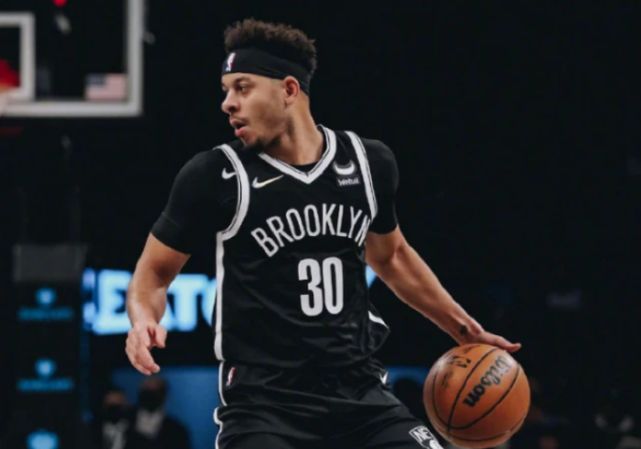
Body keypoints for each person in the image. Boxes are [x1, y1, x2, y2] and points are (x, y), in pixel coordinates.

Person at [125, 18, 521, 449]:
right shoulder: (215, 174)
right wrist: (142, 319)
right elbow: (154, 274)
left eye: (242, 87)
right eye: (225, 90)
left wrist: (464, 329)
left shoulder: (368, 163)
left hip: (360, 394)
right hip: (265, 405)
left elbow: (391, 257)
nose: (227, 103)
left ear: (289, 90)